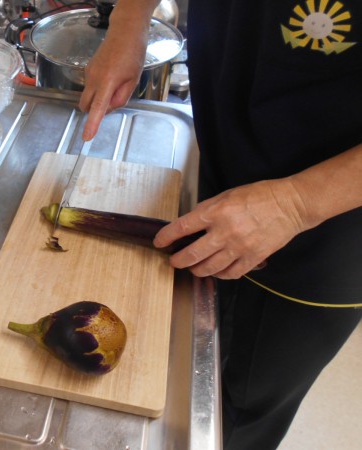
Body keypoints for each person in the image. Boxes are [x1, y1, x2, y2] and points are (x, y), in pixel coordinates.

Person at [78, 0, 362, 448]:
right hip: (225, 142)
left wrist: (294, 204)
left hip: (329, 235)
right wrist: (129, 23)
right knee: (183, 354)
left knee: (243, 404)